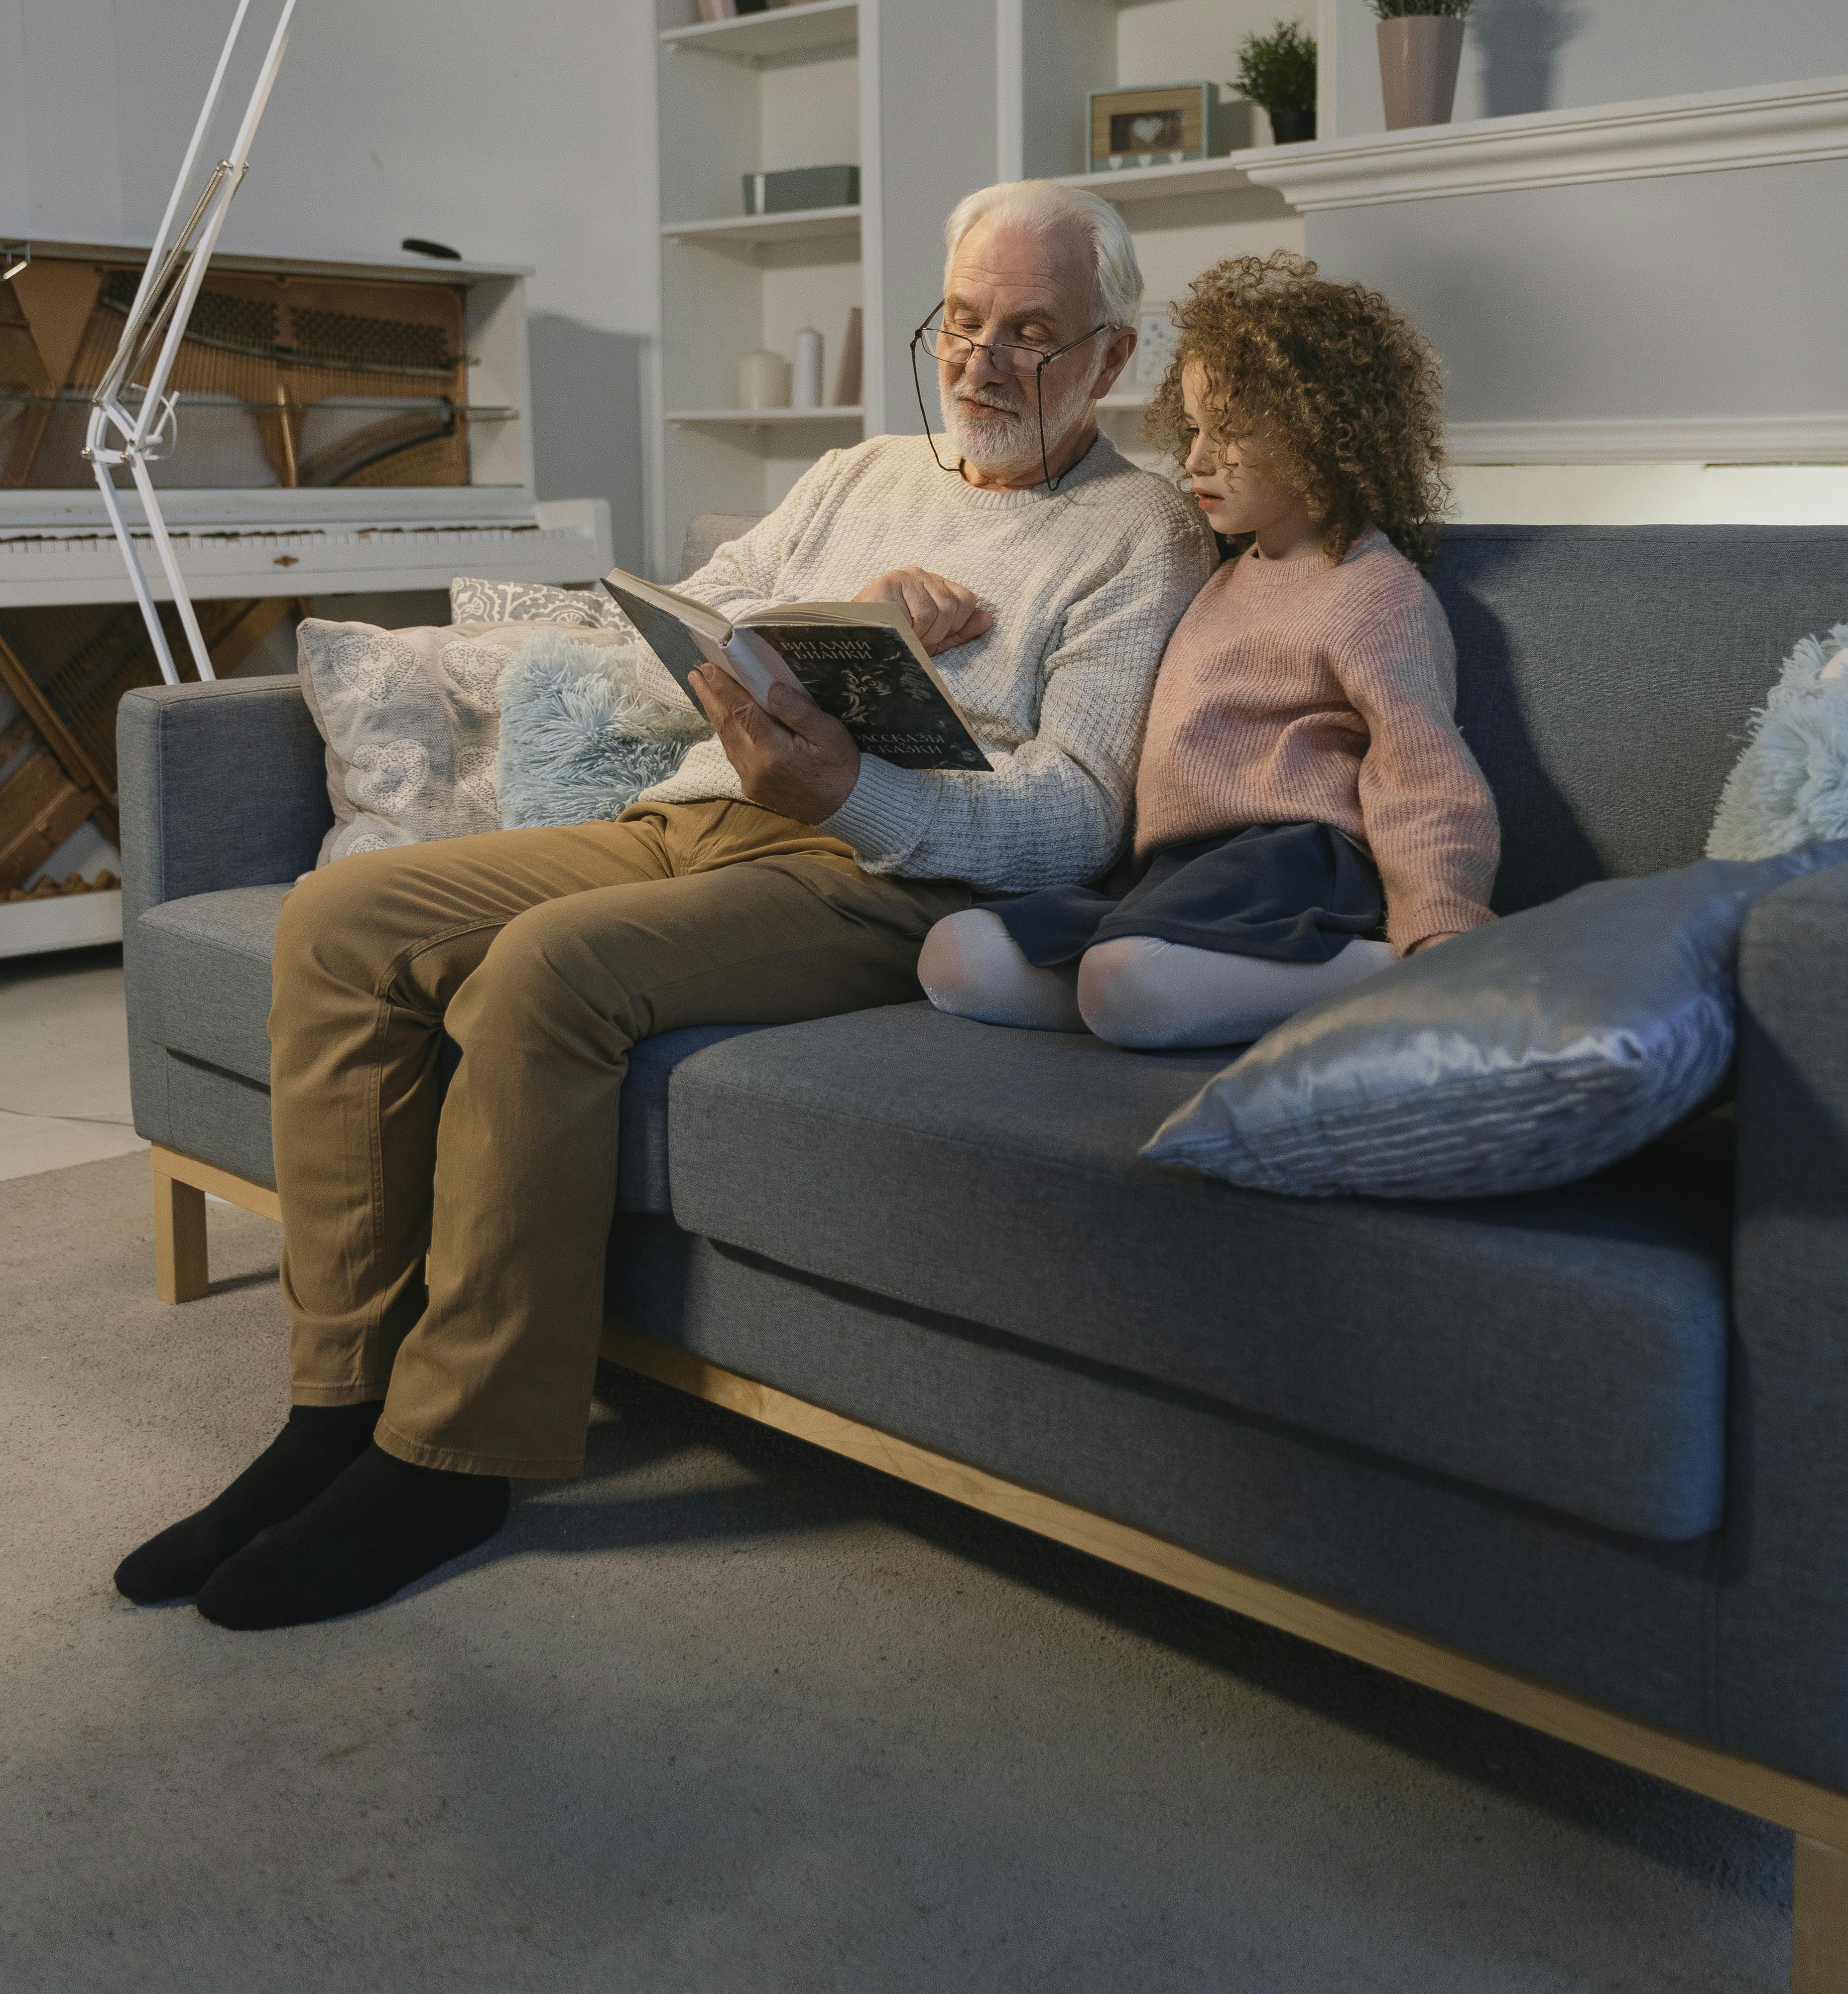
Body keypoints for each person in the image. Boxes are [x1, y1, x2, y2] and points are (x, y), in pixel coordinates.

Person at [115, 179, 1215, 1627]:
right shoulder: (853, 476)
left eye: (1030, 332)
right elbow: (648, 643)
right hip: (686, 816)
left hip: (877, 877)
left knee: (542, 971)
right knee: (344, 923)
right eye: (960, 320)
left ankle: (453, 1454)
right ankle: (342, 1399)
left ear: (1112, 357)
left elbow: (1080, 814)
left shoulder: (1139, 532)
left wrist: (853, 796)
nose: (982, 361)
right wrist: (811, 634)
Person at [918, 251, 1498, 1049]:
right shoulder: (1218, 575)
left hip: (1297, 863)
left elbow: (1424, 775)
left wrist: (1442, 927)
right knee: (957, 957)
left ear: (1325, 436)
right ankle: (1142, 988)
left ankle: (1409, 979)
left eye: (1231, 436)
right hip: (1177, 871)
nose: (1194, 459)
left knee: (1124, 979)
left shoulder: (1378, 594)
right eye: (1194, 429)